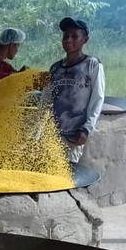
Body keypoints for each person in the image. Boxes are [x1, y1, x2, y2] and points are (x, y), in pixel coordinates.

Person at [47, 17, 105, 163]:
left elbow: (97, 99)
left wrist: (86, 129)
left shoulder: (92, 65)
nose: (68, 40)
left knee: (66, 177)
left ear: (85, 39)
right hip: (51, 135)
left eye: (75, 36)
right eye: (66, 36)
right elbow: (46, 100)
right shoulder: (55, 68)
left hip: (73, 135)